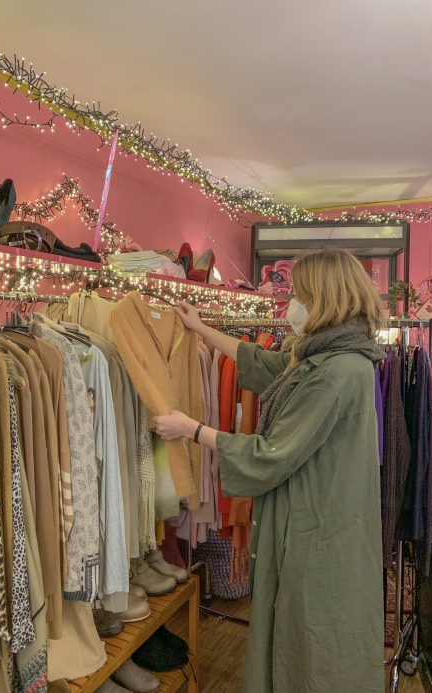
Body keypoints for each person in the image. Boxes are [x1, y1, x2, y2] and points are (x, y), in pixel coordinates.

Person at [154, 248, 385, 693]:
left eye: (299, 295)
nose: (291, 305)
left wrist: (192, 428)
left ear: (325, 298)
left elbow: (272, 453)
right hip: (319, 514)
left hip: (316, 525)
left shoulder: (337, 371)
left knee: (309, 632)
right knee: (299, 626)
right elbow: (265, 365)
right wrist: (201, 327)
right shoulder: (328, 355)